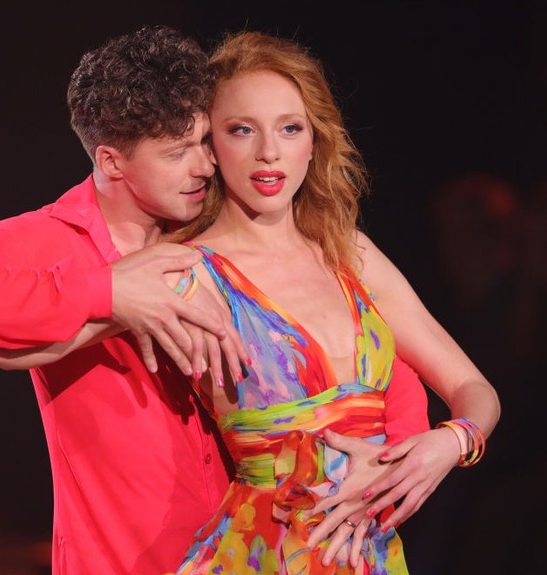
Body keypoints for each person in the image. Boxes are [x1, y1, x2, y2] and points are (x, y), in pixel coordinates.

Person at [0, 25, 430, 575]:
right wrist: (109, 291)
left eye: (205, 142)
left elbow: (366, 359)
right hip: (123, 558)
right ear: (111, 162)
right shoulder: (52, 238)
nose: (204, 165)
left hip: (252, 548)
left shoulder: (219, 236)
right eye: (178, 152)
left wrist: (400, 457)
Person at [161, 31, 500, 573]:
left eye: (289, 128)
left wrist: (449, 445)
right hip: (263, 552)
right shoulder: (185, 272)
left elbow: (474, 390)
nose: (268, 152)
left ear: (314, 141)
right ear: (211, 145)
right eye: (242, 130)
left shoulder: (350, 253)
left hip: (370, 550)